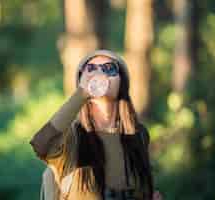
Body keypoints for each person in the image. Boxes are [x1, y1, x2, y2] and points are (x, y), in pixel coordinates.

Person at [30, 49, 163, 200]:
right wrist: (81, 94)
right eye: (91, 69)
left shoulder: (138, 135)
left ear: (122, 83)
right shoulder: (72, 138)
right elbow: (41, 145)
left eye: (109, 68)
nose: (99, 73)